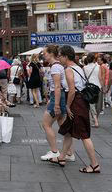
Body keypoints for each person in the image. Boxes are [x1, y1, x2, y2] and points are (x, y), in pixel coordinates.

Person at [48, 45, 100, 173]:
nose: (59, 58)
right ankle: (61, 157)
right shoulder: (78, 67)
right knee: (69, 132)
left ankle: (94, 165)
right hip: (81, 101)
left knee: (84, 135)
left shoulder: (68, 70)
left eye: (60, 55)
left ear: (66, 56)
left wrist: (67, 106)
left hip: (76, 102)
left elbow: (71, 91)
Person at [40, 45, 75, 162]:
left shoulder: (55, 67)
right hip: (60, 97)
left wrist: (56, 104)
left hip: (58, 98)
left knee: (46, 124)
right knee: (63, 126)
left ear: (51, 54)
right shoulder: (59, 66)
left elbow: (57, 86)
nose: (43, 55)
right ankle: (69, 153)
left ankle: (54, 152)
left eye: (45, 53)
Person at [83, 53, 104, 127]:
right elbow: (100, 78)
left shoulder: (84, 67)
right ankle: (96, 119)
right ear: (94, 59)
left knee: (91, 104)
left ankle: (95, 119)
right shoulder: (98, 67)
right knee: (99, 105)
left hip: (89, 87)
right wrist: (103, 87)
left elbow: (84, 78)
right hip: (98, 87)